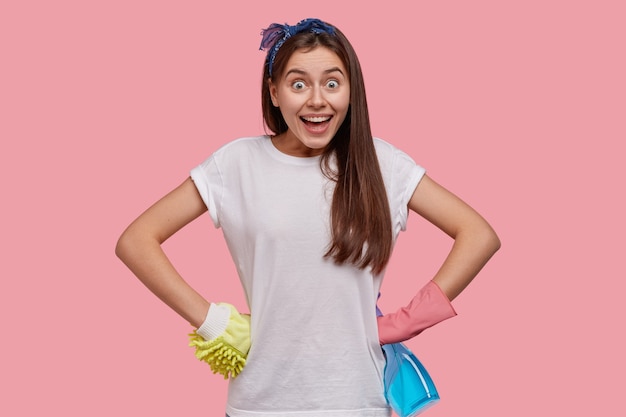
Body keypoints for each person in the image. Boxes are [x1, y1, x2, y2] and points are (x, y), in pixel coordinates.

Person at [115, 18, 500, 417]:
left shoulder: (382, 164)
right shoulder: (237, 163)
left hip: (357, 401)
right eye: (298, 84)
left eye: (332, 83)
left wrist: (407, 321)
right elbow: (137, 240)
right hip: (260, 404)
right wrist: (212, 320)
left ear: (351, 91)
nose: (317, 100)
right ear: (275, 93)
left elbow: (477, 234)